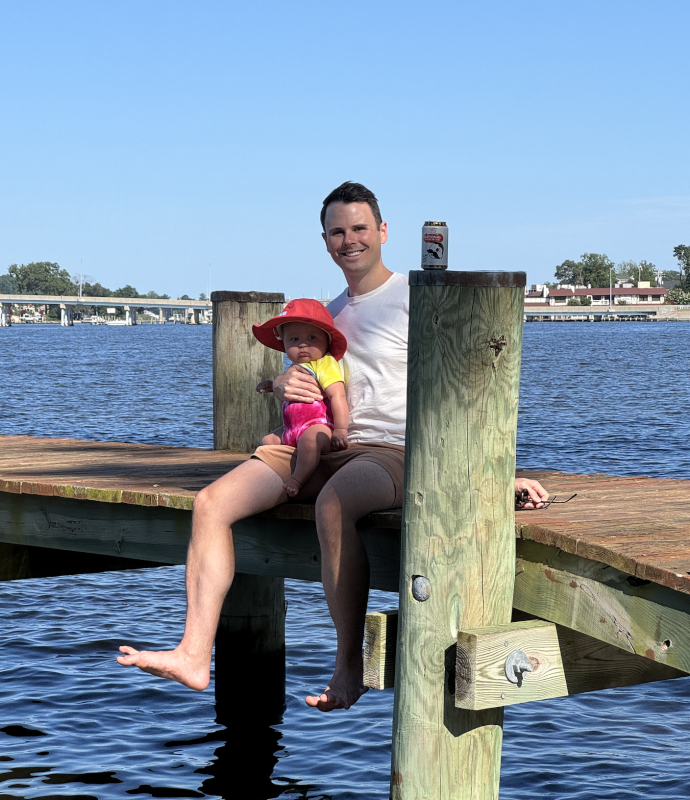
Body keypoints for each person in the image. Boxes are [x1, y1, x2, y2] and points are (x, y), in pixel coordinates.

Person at [117, 181, 549, 710]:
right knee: (211, 505)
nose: (350, 240)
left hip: (389, 451)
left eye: (360, 228)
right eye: (338, 231)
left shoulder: (419, 300)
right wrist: (279, 384)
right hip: (315, 444)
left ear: (383, 232)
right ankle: (192, 653)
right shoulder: (325, 314)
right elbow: (310, 387)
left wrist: (497, 474)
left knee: (333, 504)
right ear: (324, 241)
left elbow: (467, 390)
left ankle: (348, 668)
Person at [253, 299, 350, 497]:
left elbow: (338, 395)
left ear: (327, 341)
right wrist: (272, 385)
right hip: (292, 429)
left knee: (310, 441)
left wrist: (341, 429)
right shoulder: (296, 368)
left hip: (317, 425)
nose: (303, 345)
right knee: (267, 440)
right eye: (294, 340)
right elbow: (290, 389)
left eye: (312, 338)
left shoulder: (324, 364)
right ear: (284, 343)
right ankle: (266, 475)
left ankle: (297, 479)